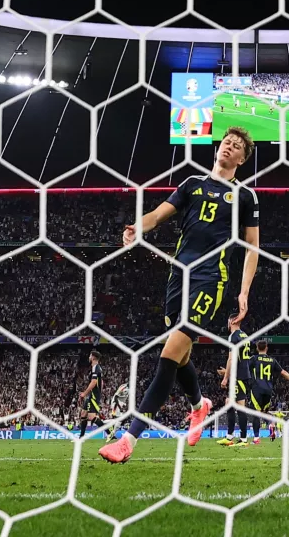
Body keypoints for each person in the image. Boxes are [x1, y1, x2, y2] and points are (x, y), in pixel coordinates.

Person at [99, 127, 259, 464]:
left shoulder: (244, 196)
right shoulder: (191, 184)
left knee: (170, 354)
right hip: (178, 278)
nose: (229, 146)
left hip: (211, 279)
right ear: (218, 148)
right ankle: (200, 404)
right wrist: (136, 227)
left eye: (237, 146)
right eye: (227, 142)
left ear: (242, 159)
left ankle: (128, 440)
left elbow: (253, 248)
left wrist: (244, 291)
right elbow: (157, 215)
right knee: (180, 355)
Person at [216, 316, 250, 447]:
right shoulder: (245, 335)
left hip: (238, 377)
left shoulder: (233, 336)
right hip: (243, 375)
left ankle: (242, 439)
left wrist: (225, 378)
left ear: (232, 321)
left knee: (239, 407)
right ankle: (231, 436)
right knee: (229, 403)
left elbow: (231, 359)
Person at [248, 341, 289, 445]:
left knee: (256, 414)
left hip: (257, 388)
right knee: (264, 411)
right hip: (268, 390)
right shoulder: (272, 360)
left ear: (257, 348)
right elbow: (283, 373)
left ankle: (256, 438)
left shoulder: (254, 359)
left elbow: (243, 369)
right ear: (266, 348)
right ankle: (272, 425)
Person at [78, 350, 105, 438]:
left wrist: (84, 393)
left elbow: (93, 382)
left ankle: (109, 431)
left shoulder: (95, 367)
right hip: (92, 394)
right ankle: (81, 437)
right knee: (83, 414)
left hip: (93, 395)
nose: (89, 357)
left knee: (91, 416)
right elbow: (101, 382)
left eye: (90, 356)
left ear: (93, 357)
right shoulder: (97, 368)